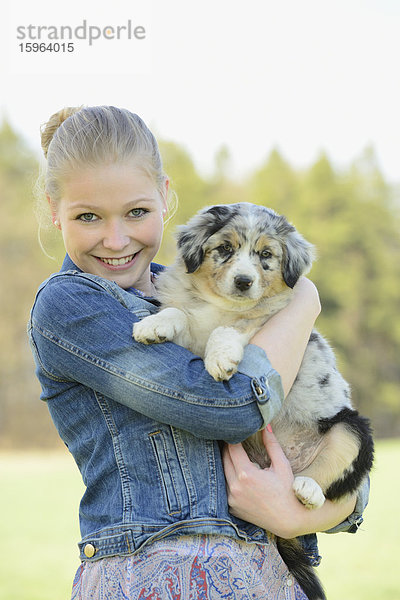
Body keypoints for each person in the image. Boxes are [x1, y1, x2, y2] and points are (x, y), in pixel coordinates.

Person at [28, 105, 368, 600]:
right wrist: (303, 302)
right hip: (154, 579)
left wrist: (299, 511)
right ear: (53, 210)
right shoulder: (70, 306)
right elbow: (233, 408)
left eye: (137, 212)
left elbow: (345, 481)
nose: (116, 239)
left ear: (166, 198)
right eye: (88, 217)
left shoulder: (198, 288)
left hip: (265, 579)